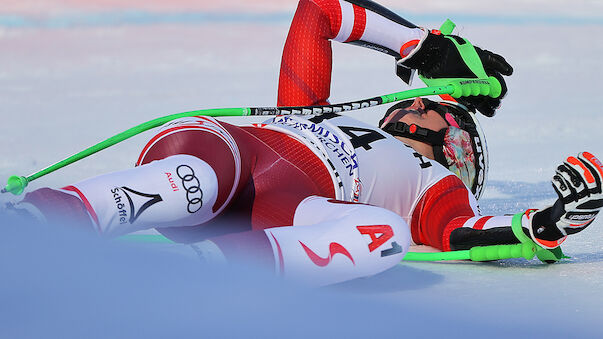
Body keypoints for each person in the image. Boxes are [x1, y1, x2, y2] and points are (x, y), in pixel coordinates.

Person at [5, 0, 603, 286]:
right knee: (203, 173)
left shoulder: (438, 187)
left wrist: (547, 223)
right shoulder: (308, 112)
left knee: (386, 237)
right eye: (423, 101)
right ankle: (42, 221)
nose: (424, 109)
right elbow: (318, 11)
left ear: (462, 153)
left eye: (445, 116)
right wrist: (419, 47)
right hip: (227, 160)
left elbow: (466, 235)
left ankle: (207, 276)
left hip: (296, 216)